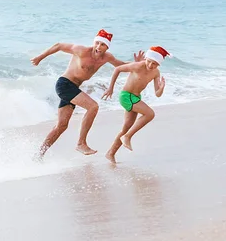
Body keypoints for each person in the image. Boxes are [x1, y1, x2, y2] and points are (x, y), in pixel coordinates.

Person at [30, 29, 143, 160]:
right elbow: (59, 45)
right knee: (93, 107)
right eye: (97, 43)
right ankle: (81, 143)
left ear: (107, 47)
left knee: (61, 126)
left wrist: (138, 64)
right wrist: (40, 57)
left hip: (74, 89)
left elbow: (121, 65)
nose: (99, 47)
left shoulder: (107, 57)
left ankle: (38, 155)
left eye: (103, 45)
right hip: (64, 84)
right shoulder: (81, 50)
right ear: (94, 42)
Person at [101, 46, 169, 163]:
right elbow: (117, 69)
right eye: (149, 61)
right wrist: (110, 88)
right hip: (126, 96)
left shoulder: (156, 72)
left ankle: (110, 153)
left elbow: (157, 94)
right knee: (150, 114)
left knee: (126, 128)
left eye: (154, 64)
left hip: (136, 98)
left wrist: (162, 88)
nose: (150, 65)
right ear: (146, 58)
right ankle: (128, 137)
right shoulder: (137, 66)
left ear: (158, 64)